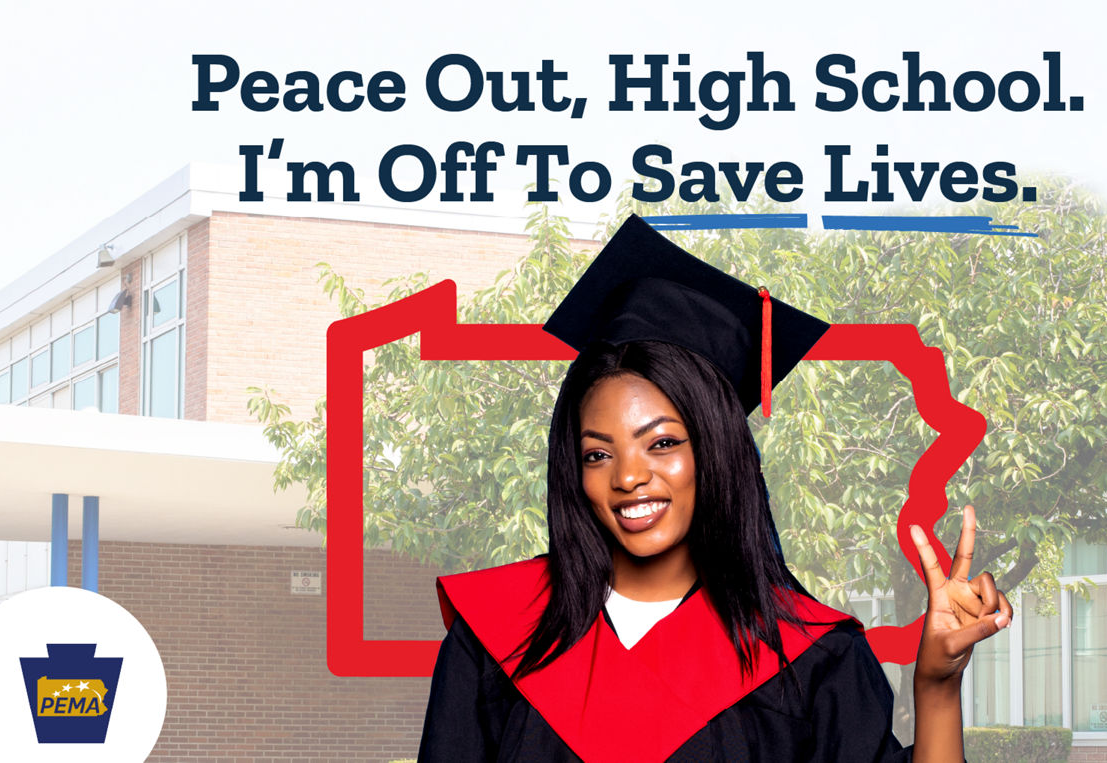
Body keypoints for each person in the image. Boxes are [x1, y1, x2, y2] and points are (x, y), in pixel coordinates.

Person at [418, 216, 1011, 762]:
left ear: (718, 453)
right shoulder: (498, 635)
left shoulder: (810, 656)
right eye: (598, 453)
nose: (627, 477)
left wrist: (937, 688)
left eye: (663, 443)